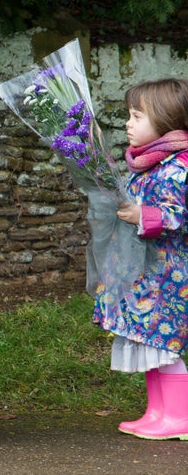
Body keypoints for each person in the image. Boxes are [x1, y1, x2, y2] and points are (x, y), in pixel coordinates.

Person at [92, 78, 188, 440]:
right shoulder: (148, 164)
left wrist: (144, 215)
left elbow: (180, 215)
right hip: (144, 273)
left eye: (136, 116)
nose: (128, 124)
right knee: (148, 342)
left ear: (165, 120)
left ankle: (179, 417)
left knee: (164, 345)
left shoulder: (179, 167)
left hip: (170, 275)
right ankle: (157, 412)